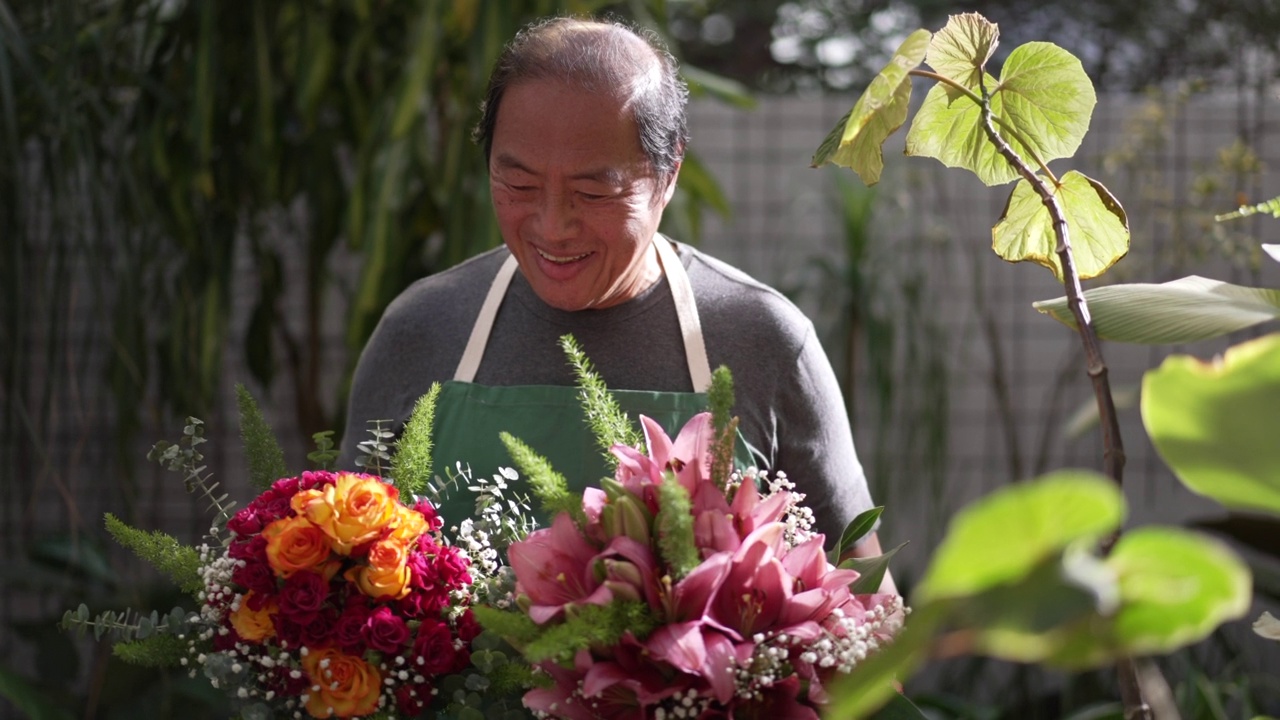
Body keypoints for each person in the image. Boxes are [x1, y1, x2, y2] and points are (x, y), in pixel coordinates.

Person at [338, 15, 891, 569]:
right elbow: (344, 570)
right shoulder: (424, 327)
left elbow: (866, 602)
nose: (552, 227)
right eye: (519, 184)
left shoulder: (760, 339)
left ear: (668, 173)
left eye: (594, 192)